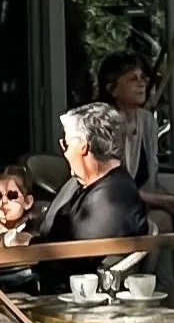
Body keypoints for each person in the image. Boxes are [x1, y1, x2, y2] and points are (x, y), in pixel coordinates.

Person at [44, 101, 155, 245]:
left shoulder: (111, 198)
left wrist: (27, 245)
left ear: (82, 146)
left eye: (66, 144)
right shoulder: (85, 184)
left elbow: (73, 253)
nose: (65, 153)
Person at [96, 53, 160, 191]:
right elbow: (111, 187)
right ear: (112, 89)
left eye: (142, 78)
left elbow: (152, 175)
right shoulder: (102, 124)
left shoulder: (147, 120)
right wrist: (166, 200)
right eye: (133, 79)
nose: (141, 84)